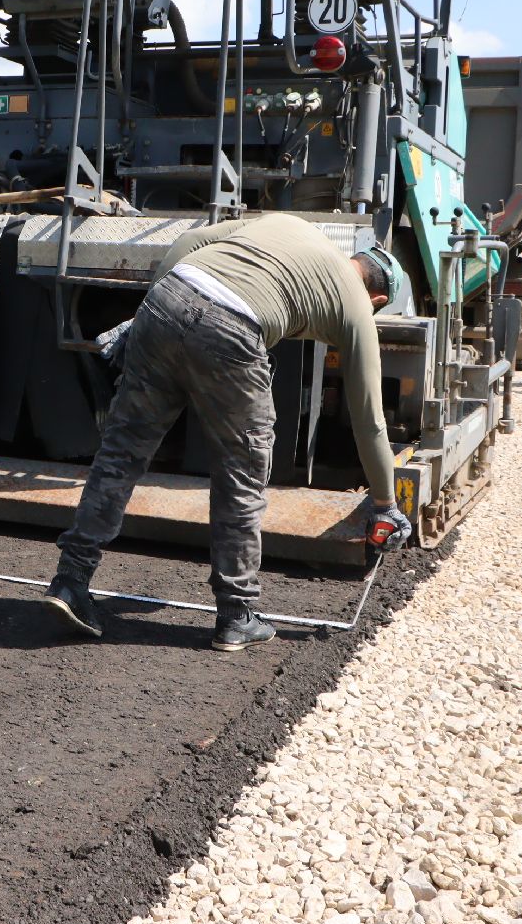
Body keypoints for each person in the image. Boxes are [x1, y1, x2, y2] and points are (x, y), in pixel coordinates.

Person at [41, 213, 413, 652]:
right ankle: (237, 615)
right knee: (242, 474)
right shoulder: (357, 305)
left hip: (168, 297)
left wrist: (145, 315)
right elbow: (369, 420)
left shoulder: (294, 226)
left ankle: (70, 581)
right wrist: (386, 504)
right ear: (377, 296)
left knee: (120, 454)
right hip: (233, 327)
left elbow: (193, 238)